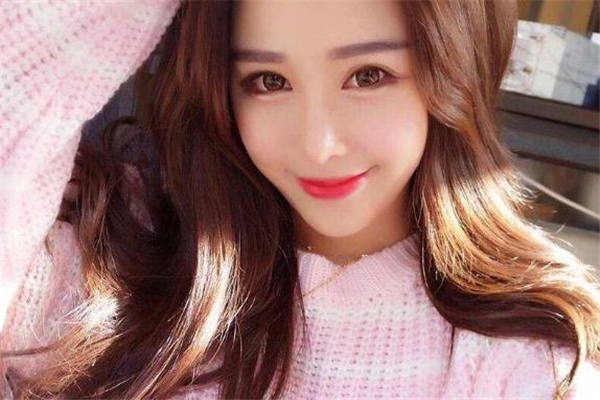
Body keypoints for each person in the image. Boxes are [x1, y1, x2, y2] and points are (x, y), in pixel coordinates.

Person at [1, 0, 599, 399]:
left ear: (453, 67)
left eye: (368, 75)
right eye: (269, 82)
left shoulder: (527, 365)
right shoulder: (112, 266)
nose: (319, 145)